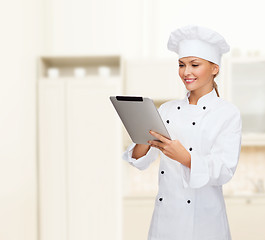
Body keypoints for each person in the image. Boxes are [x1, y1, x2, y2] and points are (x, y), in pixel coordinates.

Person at [122, 25, 242, 240]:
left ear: (215, 68)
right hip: (166, 222)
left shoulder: (227, 113)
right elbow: (140, 160)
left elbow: (224, 170)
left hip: (205, 223)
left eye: (195, 65)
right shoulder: (166, 109)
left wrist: (186, 158)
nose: (186, 72)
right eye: (181, 65)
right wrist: (143, 136)